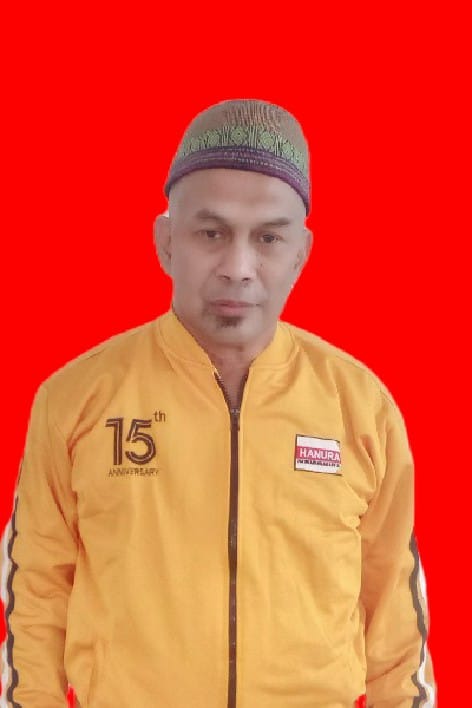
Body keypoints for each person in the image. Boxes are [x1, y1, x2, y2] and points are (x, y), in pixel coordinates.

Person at [0, 99, 436, 707]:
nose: (238, 268)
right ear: (165, 241)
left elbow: (393, 611)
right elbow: (37, 595)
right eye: (212, 233)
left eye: (268, 238)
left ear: (301, 252)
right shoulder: (76, 400)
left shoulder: (361, 407)